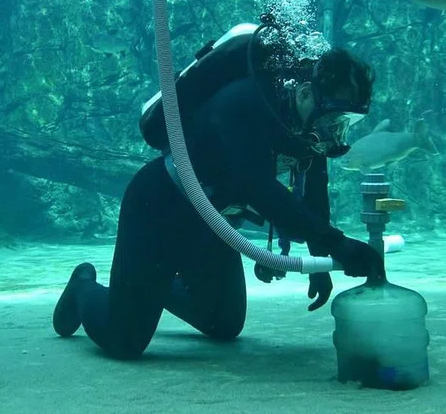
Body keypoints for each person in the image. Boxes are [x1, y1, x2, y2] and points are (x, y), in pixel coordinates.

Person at [52, 28, 384, 360]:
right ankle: (83, 285)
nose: (335, 132)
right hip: (159, 207)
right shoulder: (243, 102)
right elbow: (261, 190)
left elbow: (313, 193)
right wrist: (337, 244)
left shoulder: (309, 130)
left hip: (213, 221)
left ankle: (151, 286)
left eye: (346, 122)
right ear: (306, 92)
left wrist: (320, 262)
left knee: (224, 323)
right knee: (123, 342)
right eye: (334, 118)